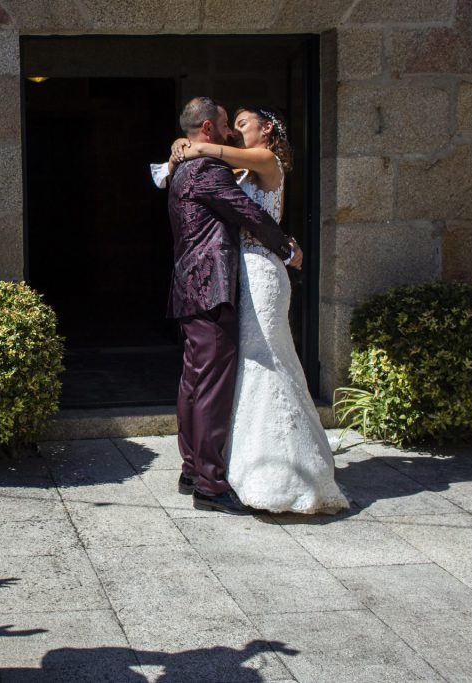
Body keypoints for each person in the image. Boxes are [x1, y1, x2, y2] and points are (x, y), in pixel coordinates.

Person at [170, 105, 349, 515]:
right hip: (228, 278)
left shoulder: (263, 161)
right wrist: (186, 144)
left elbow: (246, 206)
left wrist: (192, 145)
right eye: (230, 126)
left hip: (259, 274)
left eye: (243, 124)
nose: (235, 131)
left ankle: (217, 472)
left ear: (267, 130)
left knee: (261, 365)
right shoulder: (223, 169)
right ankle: (214, 472)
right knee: (225, 375)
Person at [165, 97, 301, 515]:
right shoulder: (205, 169)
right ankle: (208, 483)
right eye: (226, 124)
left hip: (192, 288)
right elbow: (247, 211)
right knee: (209, 389)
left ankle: (192, 468)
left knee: (194, 383)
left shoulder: (186, 166)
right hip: (211, 288)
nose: (229, 132)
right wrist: (286, 246)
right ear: (207, 128)